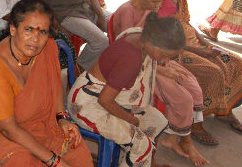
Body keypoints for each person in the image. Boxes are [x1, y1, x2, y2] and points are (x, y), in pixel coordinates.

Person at [0, 0, 93, 167]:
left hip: (37, 118)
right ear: (13, 29)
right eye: (28, 30)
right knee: (21, 160)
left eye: (42, 32)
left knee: (76, 149)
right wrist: (54, 161)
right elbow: (7, 128)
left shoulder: (48, 47)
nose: (35, 39)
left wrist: (60, 117)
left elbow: (54, 82)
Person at [111, 0, 211, 164]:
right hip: (136, 67)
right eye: (156, 1)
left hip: (153, 58)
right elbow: (127, 53)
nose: (159, 7)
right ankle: (184, 142)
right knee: (184, 98)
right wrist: (161, 70)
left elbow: (155, 39)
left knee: (193, 86)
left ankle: (173, 138)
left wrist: (166, 62)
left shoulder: (149, 9)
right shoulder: (126, 11)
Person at [69, 13, 185, 167]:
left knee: (158, 121)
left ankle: (146, 163)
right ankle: (140, 158)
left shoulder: (141, 36)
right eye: (164, 55)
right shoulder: (131, 58)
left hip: (108, 95)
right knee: (141, 145)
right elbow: (104, 100)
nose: (165, 61)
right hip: (87, 104)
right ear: (152, 42)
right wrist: (131, 119)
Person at [152, 0, 242, 134]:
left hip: (194, 43)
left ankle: (226, 110)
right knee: (213, 71)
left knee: (234, 61)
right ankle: (195, 122)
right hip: (174, 50)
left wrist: (204, 42)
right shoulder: (157, 0)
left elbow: (187, 22)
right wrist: (199, 50)